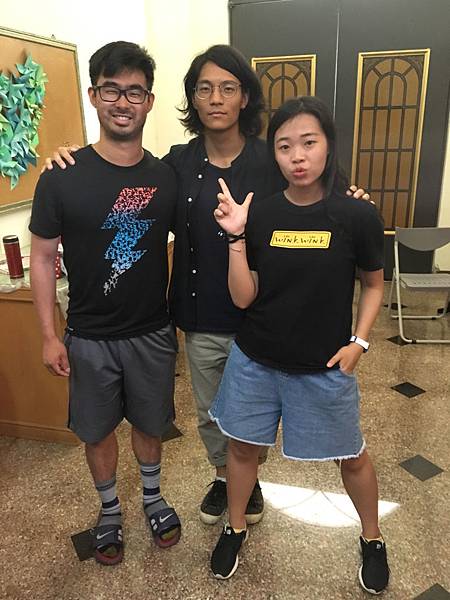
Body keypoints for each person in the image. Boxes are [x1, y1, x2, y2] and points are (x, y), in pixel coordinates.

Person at [42, 44, 370, 528]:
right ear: (192, 99)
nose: (216, 98)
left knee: (259, 412)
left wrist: (353, 194)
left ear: (244, 97)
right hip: (199, 316)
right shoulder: (175, 164)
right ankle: (224, 477)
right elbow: (122, 175)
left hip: (263, 315)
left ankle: (249, 480)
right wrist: (69, 155)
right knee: (211, 412)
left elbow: (327, 190)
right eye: (204, 88)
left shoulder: (272, 157)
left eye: (228, 88)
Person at [208, 96, 389, 595]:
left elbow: (374, 285)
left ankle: (372, 537)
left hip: (325, 365)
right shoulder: (263, 214)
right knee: (242, 448)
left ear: (329, 145)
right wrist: (236, 237)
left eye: (309, 142)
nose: (298, 156)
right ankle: (235, 527)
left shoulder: (356, 214)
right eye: (285, 146)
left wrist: (359, 342)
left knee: (352, 456)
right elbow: (244, 297)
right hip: (256, 360)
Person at [30, 41, 181, 567]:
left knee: (150, 424)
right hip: (89, 337)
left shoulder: (166, 177)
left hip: (152, 332)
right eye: (111, 89)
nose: (122, 102)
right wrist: (49, 335)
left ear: (149, 101)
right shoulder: (61, 175)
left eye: (134, 92)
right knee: (96, 431)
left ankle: (153, 498)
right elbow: (42, 258)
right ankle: (110, 510)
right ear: (93, 96)